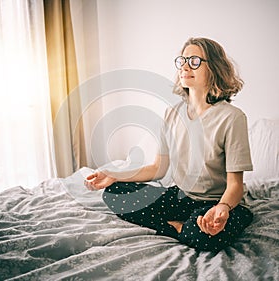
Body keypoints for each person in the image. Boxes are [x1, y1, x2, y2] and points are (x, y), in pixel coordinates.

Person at [84, 37, 253, 252]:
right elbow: (157, 168)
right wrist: (115, 175)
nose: (184, 66)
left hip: (218, 202)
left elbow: (235, 185)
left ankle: (184, 228)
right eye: (182, 60)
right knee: (114, 193)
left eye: (194, 61)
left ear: (215, 68)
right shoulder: (171, 114)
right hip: (181, 197)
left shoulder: (232, 118)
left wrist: (223, 207)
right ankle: (182, 228)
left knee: (208, 237)